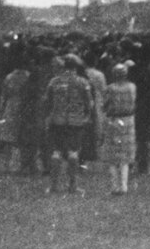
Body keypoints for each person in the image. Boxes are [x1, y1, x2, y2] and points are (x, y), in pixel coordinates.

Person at [41, 54, 97, 194]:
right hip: (76, 122)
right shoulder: (82, 82)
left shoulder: (54, 81)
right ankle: (73, 185)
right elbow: (90, 103)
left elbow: (46, 100)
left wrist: (48, 116)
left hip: (57, 120)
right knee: (73, 153)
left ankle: (54, 185)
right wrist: (87, 117)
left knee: (56, 152)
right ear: (76, 67)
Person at [100, 63, 137, 195]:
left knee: (112, 156)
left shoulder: (110, 88)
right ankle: (124, 186)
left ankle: (115, 187)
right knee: (125, 155)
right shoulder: (132, 87)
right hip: (129, 120)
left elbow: (104, 105)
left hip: (114, 120)